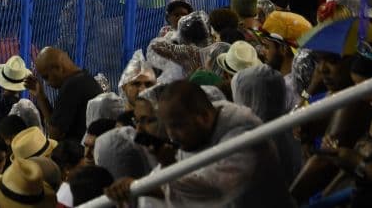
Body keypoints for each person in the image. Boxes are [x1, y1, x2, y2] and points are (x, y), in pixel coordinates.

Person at [104, 81, 292, 207]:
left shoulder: (244, 135)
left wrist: (168, 170)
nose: (172, 135)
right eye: (168, 127)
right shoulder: (192, 140)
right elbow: (178, 190)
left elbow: (211, 190)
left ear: (203, 116)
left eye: (177, 126)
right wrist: (136, 187)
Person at [24, 47, 102, 143]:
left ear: (58, 68)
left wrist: (41, 97)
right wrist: (40, 96)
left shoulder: (72, 86)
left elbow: (54, 134)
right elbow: (55, 124)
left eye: (46, 77)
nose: (47, 83)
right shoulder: (84, 78)